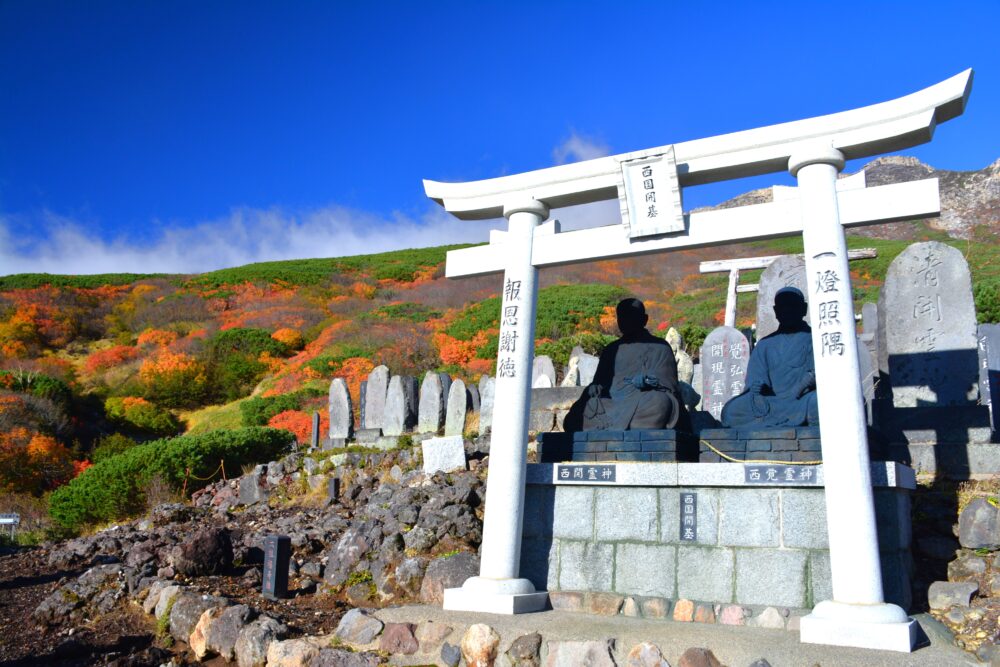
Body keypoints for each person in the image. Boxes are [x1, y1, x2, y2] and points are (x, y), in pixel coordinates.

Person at [563, 298, 684, 431]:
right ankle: (627, 426)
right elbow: (600, 382)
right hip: (611, 402)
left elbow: (669, 384)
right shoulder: (611, 349)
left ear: (644, 319)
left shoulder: (659, 347)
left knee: (658, 402)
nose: (626, 321)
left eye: (631, 317)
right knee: (577, 414)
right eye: (622, 317)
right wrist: (595, 388)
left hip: (642, 399)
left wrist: (648, 381)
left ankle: (632, 427)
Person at [720, 287, 819, 428]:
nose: (787, 311)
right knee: (730, 412)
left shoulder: (815, 339)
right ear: (776, 311)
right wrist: (757, 388)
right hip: (772, 404)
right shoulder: (765, 345)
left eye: (792, 306)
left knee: (820, 402)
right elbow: (755, 379)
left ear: (803, 309)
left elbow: (820, 375)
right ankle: (777, 421)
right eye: (782, 307)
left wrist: (801, 388)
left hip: (803, 401)